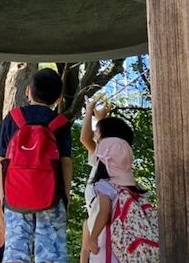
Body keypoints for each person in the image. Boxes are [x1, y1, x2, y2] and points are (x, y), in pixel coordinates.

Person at [0, 67, 72, 263]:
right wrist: (65, 197)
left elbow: (0, 160)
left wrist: (3, 197)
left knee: (15, 250)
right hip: (51, 195)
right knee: (52, 252)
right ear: (59, 98)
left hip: (15, 196)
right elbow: (65, 163)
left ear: (28, 91)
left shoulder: (14, 118)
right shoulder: (60, 123)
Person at [79, 99, 134, 263]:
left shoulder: (104, 165)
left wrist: (89, 111)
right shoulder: (122, 170)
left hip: (104, 240)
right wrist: (101, 119)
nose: (94, 137)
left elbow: (85, 138)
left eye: (97, 134)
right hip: (112, 238)